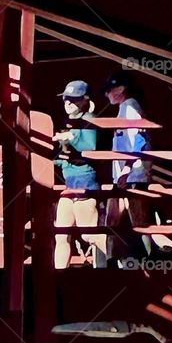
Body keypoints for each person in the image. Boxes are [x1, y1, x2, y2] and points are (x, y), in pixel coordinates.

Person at [101, 71, 172, 264]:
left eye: (109, 90)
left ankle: (149, 259)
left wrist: (127, 169)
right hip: (126, 175)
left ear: (120, 89)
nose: (106, 95)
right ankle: (116, 259)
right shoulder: (126, 108)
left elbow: (139, 139)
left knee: (137, 220)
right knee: (116, 219)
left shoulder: (130, 107)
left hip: (132, 175)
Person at [52, 79, 107, 269]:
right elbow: (61, 158)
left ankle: (124, 260)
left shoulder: (89, 120)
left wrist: (71, 138)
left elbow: (89, 147)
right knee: (60, 234)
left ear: (85, 100)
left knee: (89, 234)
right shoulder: (69, 122)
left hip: (85, 181)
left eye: (73, 100)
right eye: (66, 99)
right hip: (69, 183)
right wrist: (57, 155)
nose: (68, 103)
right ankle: (58, 273)